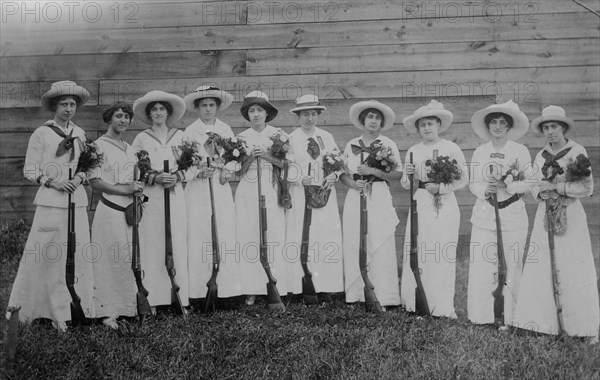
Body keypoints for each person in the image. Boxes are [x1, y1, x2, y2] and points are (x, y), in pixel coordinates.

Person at [6, 81, 94, 332]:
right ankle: (35, 309)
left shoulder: (80, 133)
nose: (68, 109)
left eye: (72, 104)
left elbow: (86, 166)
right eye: (64, 104)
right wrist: (54, 183)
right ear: (55, 106)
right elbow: (30, 169)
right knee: (45, 253)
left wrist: (78, 179)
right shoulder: (41, 133)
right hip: (51, 202)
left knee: (75, 253)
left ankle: (73, 310)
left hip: (75, 201)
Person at [513, 105, 599, 344]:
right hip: (545, 215)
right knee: (541, 265)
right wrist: (539, 193)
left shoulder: (576, 151)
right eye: (546, 127)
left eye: (555, 126)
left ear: (563, 128)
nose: (550, 131)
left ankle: (582, 327)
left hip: (570, 214)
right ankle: (543, 324)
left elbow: (587, 188)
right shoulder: (540, 155)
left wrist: (557, 188)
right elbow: (532, 183)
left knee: (573, 268)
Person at [467, 100, 532, 328]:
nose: (497, 126)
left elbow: (529, 182)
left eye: (502, 123)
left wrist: (508, 184)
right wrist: (485, 190)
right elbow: (473, 182)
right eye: (493, 122)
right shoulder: (480, 151)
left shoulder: (519, 151)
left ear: (509, 127)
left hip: (512, 213)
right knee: (483, 263)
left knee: (511, 264)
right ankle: (481, 314)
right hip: (486, 213)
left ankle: (510, 315)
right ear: (488, 126)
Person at [400, 100, 467, 319]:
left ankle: (440, 305)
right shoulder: (413, 150)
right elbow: (404, 183)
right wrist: (409, 175)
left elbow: (463, 178)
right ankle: (415, 303)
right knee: (419, 248)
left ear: (438, 125)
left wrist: (442, 187)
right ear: (418, 128)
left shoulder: (451, 148)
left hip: (445, 203)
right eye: (423, 125)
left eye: (431, 124)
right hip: (420, 201)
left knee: (440, 250)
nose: (427, 128)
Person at [181, 86, 242, 305]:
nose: (208, 109)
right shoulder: (190, 131)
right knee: (200, 233)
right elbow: (184, 162)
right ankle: (198, 291)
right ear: (198, 108)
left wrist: (227, 170)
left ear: (217, 108)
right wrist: (197, 172)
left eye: (211, 105)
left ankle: (225, 292)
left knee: (223, 231)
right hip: (198, 189)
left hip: (220, 185)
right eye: (204, 106)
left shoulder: (225, 129)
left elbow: (236, 156)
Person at [340, 100, 402, 309]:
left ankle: (384, 295)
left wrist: (374, 172)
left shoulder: (388, 144)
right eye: (370, 117)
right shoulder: (351, 144)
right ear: (362, 120)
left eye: (377, 118)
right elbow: (343, 174)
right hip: (356, 195)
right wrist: (353, 184)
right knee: (355, 239)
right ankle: (356, 294)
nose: (373, 121)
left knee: (380, 239)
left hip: (379, 194)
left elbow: (397, 174)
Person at [131, 90, 189, 312]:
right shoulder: (141, 138)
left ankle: (180, 297)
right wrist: (154, 177)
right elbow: (135, 167)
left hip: (175, 196)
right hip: (153, 198)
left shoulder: (181, 136)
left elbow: (192, 165)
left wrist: (176, 176)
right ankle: (154, 299)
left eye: (161, 109)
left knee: (177, 240)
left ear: (168, 112)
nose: (158, 112)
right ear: (149, 114)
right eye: (153, 109)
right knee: (153, 241)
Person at [88, 102, 142, 329]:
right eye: (118, 116)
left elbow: (134, 176)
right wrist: (125, 190)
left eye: (126, 117)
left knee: (126, 258)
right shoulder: (98, 146)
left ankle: (127, 308)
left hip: (129, 210)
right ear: (109, 119)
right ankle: (107, 312)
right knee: (108, 259)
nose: (123, 120)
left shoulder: (128, 147)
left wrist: (136, 188)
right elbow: (95, 182)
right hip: (110, 209)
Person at [285, 94, 344, 299]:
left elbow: (338, 162)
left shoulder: (326, 136)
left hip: (324, 192)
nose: (309, 118)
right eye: (305, 114)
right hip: (301, 192)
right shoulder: (291, 139)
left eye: (313, 114)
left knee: (325, 236)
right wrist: (300, 178)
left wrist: (334, 175)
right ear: (298, 116)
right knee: (301, 235)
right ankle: (300, 286)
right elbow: (287, 167)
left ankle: (326, 285)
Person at [234, 91, 288, 304]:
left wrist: (265, 155)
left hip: (271, 186)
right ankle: (251, 288)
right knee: (249, 235)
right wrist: (249, 157)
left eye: (260, 110)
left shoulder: (279, 135)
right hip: (248, 189)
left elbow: (286, 164)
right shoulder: (241, 138)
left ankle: (276, 285)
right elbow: (237, 172)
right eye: (252, 110)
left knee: (273, 234)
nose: (256, 114)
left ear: (267, 113)